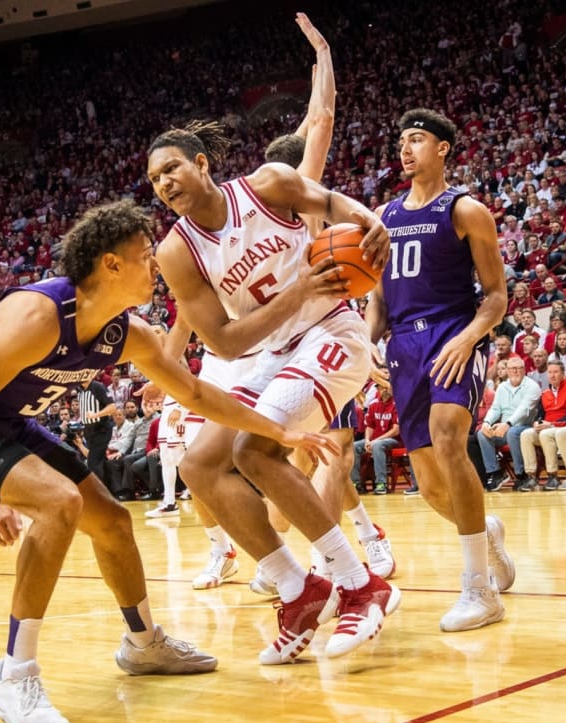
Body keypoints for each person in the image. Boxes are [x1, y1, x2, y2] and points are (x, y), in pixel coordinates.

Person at [0, 200, 338, 723]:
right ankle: (14, 673)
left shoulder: (126, 333)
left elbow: (196, 391)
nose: (156, 266)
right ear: (111, 265)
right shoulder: (38, 316)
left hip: (5, 420)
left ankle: (144, 643)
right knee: (60, 503)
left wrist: (280, 431)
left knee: (112, 520)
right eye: (145, 257)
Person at [147, 100, 400, 662]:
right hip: (271, 351)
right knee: (199, 465)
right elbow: (224, 342)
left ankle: (361, 585)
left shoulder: (268, 185)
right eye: (155, 179)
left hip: (334, 331)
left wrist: (367, 219)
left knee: (254, 450)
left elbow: (332, 202)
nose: (164, 182)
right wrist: (298, 291)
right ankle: (298, 587)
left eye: (172, 169)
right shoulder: (176, 252)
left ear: (203, 163)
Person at [366, 108, 515, 633]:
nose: (406, 149)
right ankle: (485, 533)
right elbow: (378, 301)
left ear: (444, 148)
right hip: (403, 344)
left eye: (417, 139)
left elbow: (496, 296)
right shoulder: (383, 216)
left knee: (449, 438)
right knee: (429, 485)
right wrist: (366, 344)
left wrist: (470, 338)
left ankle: (479, 589)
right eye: (401, 141)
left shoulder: (466, 209)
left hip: (454, 333)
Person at [477, 356, 541, 491]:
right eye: (513, 369)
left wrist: (507, 424)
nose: (516, 371)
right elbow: (495, 408)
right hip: (505, 427)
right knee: (482, 434)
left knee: (512, 432)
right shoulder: (502, 387)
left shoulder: (532, 386)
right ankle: (496, 473)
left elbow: (523, 410)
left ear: (524, 370)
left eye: (519, 368)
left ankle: (521, 474)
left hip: (526, 427)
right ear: (507, 370)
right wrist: (487, 422)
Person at [518, 359, 566, 491]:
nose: (552, 375)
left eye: (556, 372)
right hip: (550, 427)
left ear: (563, 374)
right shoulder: (545, 393)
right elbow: (540, 415)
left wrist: (550, 425)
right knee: (526, 434)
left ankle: (554, 476)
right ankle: (531, 476)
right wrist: (537, 423)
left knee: (549, 433)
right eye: (550, 372)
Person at [350, 383, 401, 495]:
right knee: (353, 447)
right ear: (377, 389)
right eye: (382, 387)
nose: (385, 390)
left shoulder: (397, 404)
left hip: (394, 440)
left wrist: (375, 441)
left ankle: (381, 484)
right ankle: (356, 483)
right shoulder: (373, 404)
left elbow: (396, 430)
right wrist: (368, 440)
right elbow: (369, 426)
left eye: (387, 386)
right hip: (375, 440)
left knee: (378, 445)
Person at [77, 376, 114, 481]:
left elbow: (112, 407)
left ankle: (97, 494)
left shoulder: (98, 387)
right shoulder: (79, 388)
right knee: (101, 461)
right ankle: (113, 490)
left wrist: (96, 415)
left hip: (101, 429)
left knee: (93, 462)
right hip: (88, 430)